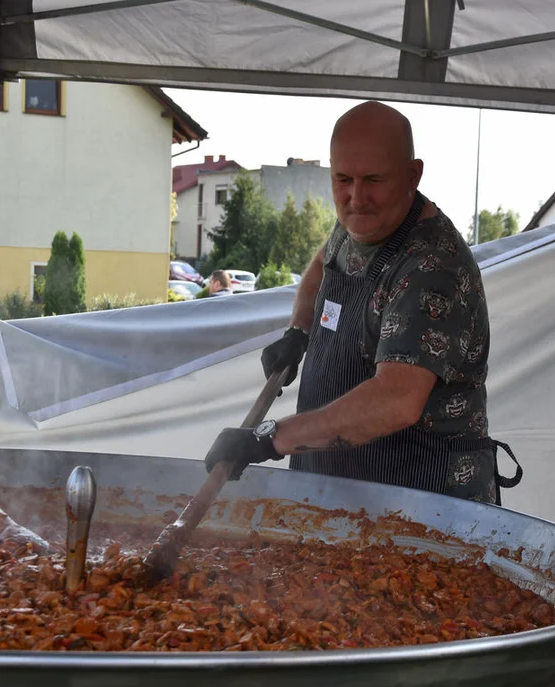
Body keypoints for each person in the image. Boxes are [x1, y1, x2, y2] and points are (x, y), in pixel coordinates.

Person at [204, 102, 521, 504]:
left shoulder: (430, 266)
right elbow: (324, 264)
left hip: (426, 507)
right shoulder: (361, 221)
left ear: (413, 175)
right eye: (343, 179)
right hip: (341, 494)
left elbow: (396, 400)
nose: (356, 198)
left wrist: (270, 438)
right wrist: (298, 330)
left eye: (373, 179)